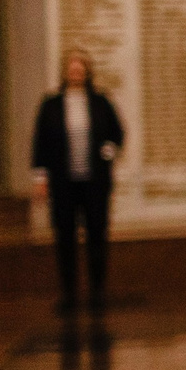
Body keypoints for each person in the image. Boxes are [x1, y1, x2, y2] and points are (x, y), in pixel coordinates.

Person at [29, 51, 124, 313]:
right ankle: (69, 294)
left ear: (87, 71)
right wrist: (40, 177)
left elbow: (117, 133)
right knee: (65, 237)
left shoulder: (100, 102)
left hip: (94, 183)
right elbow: (40, 142)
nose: (75, 71)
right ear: (65, 71)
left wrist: (107, 152)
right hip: (63, 184)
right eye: (71, 66)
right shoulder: (51, 105)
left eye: (80, 66)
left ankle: (97, 292)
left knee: (96, 235)